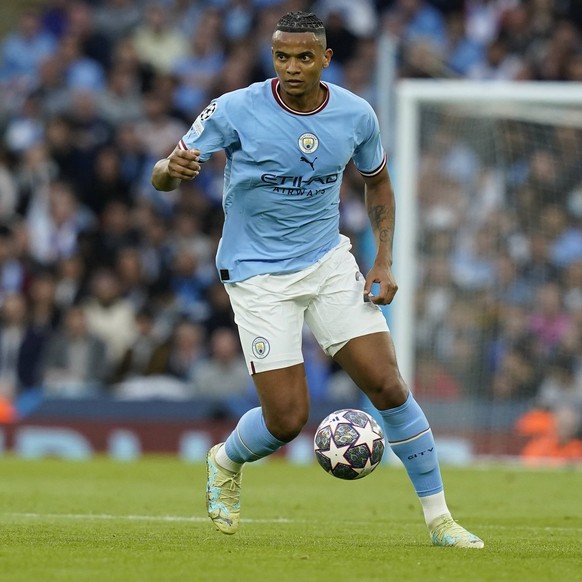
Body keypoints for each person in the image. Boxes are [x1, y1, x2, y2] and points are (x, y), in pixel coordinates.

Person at [151, 11, 483, 549]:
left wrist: (383, 261)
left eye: (304, 57)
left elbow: (379, 185)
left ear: (325, 59)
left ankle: (440, 520)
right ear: (272, 57)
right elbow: (162, 174)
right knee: (286, 419)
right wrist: (173, 170)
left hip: (328, 262)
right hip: (258, 275)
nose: (292, 67)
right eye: (282, 57)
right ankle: (225, 460)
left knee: (388, 384)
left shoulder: (356, 114)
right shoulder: (235, 109)